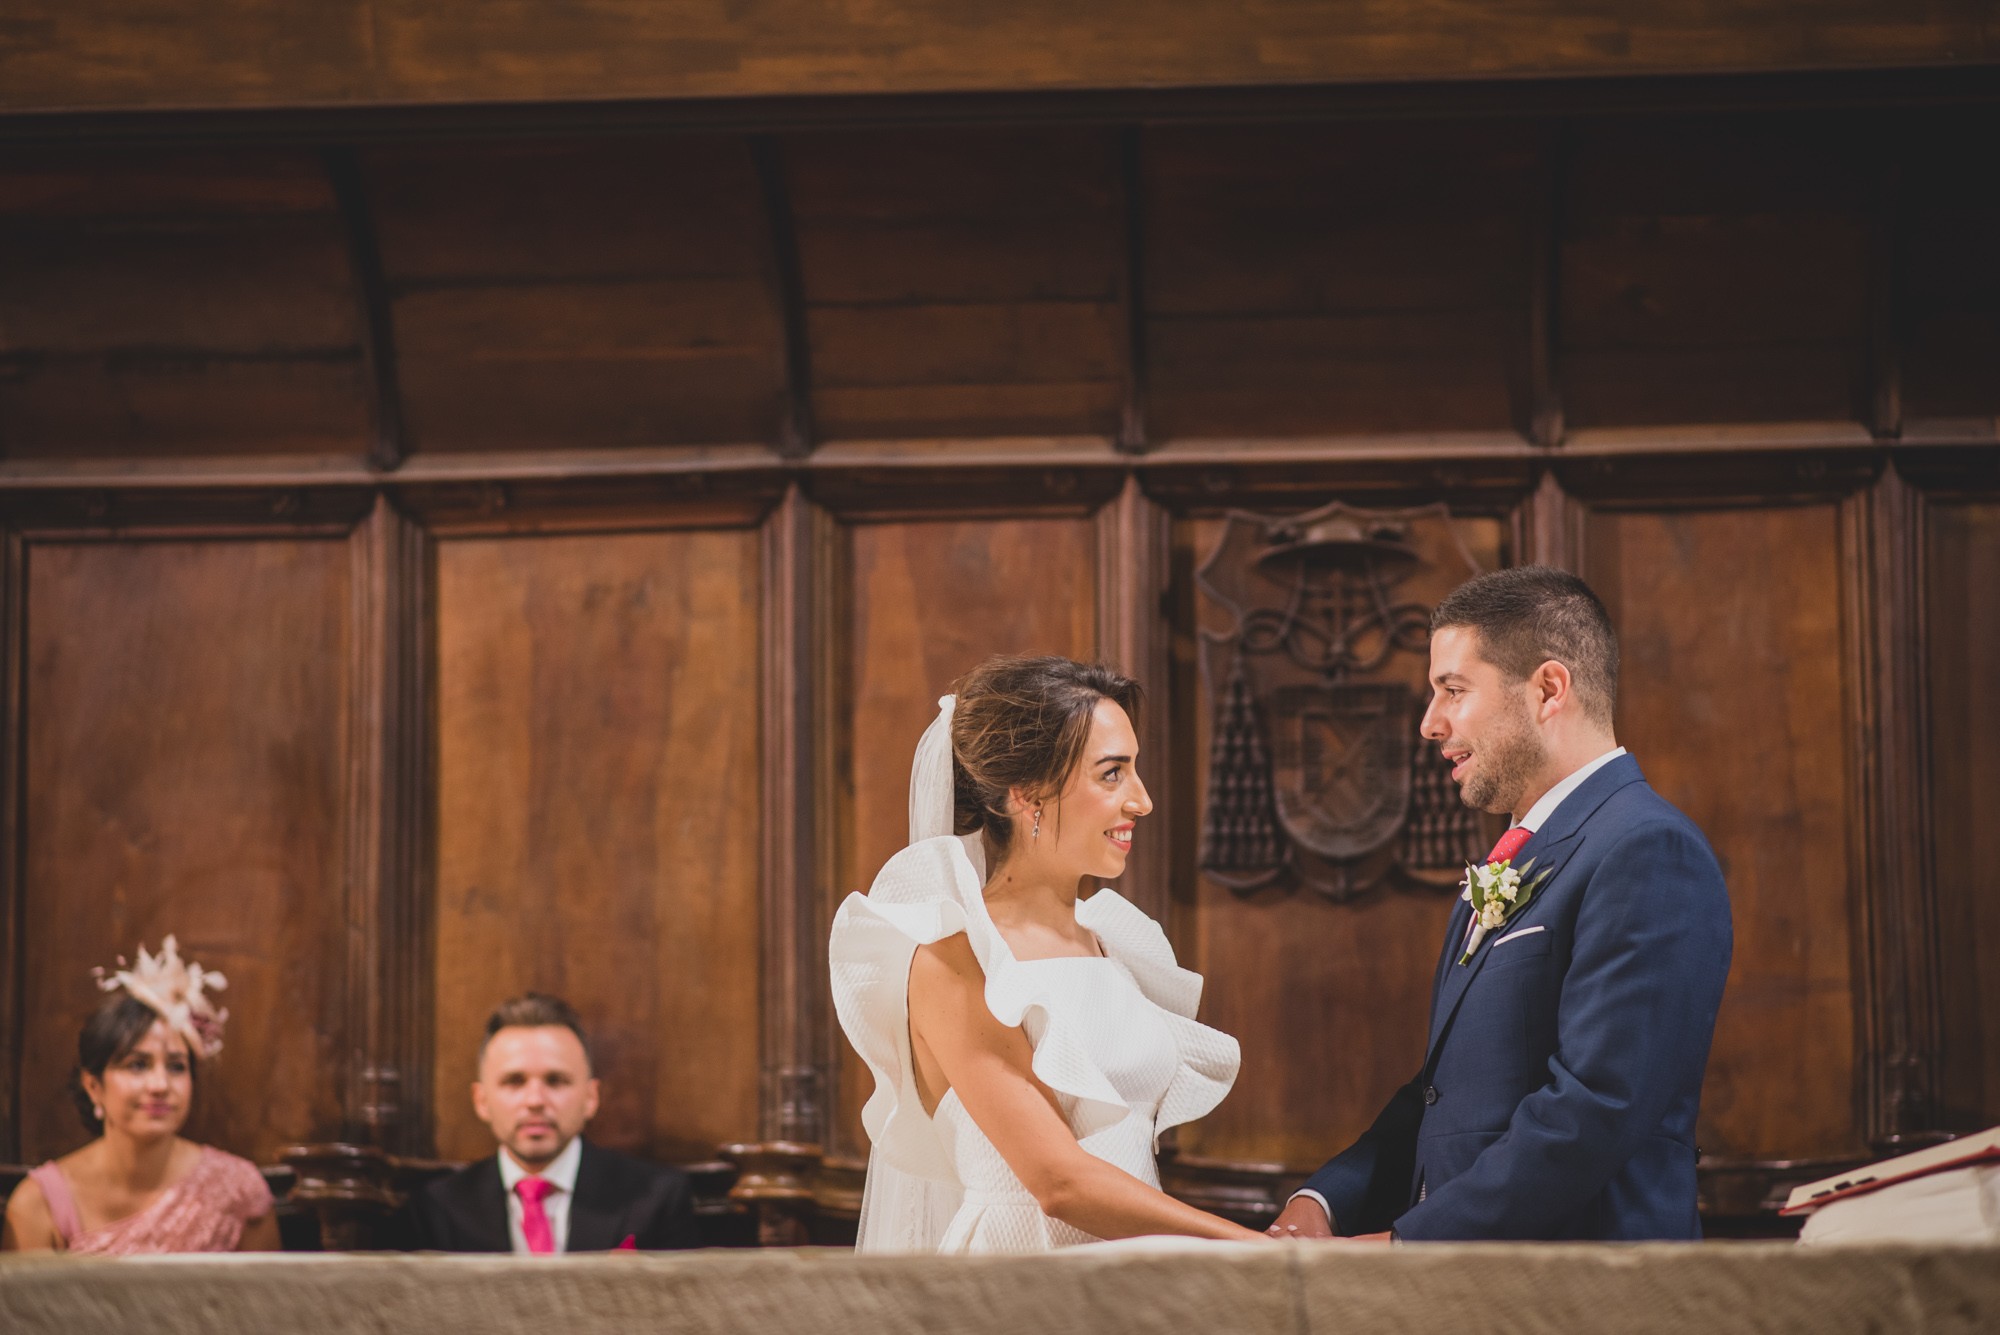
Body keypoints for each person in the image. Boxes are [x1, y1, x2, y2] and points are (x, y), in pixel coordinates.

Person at [1269, 565, 1733, 1242]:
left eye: (1452, 690)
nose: (1430, 723)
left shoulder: (1647, 849)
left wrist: (1405, 1245)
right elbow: (1444, 1093)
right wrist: (1326, 1198)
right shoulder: (1515, 856)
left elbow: (1594, 1109)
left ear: (1548, 689)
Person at [831, 655, 1265, 1252]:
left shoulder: (1115, 942)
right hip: (1022, 1281)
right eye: (1112, 774)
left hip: (1133, 1276)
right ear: (1026, 794)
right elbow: (1061, 1183)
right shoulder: (955, 959)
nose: (1142, 800)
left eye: (1134, 772)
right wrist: (1265, 1250)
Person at [2, 937, 279, 1254]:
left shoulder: (239, 1192)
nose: (160, 1085)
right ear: (94, 1086)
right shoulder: (38, 1205)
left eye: (176, 1067)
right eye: (137, 1065)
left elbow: (263, 1302)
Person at [411, 993, 699, 1253]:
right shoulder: (435, 1208)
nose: (535, 1100)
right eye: (514, 1081)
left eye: (556, 1081)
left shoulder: (657, 1198)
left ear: (590, 1097)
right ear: (481, 1100)